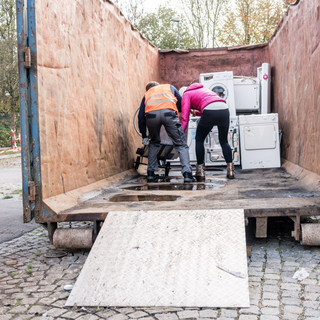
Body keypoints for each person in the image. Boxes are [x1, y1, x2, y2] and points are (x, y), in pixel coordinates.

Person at [138, 81, 194, 183]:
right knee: (181, 144)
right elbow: (181, 104)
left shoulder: (147, 94)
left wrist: (144, 135)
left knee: (154, 143)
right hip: (169, 114)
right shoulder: (169, 87)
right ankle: (187, 174)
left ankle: (150, 173)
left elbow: (141, 116)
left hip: (151, 116)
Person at [180, 83, 235, 181]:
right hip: (224, 109)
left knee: (199, 139)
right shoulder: (203, 90)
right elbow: (210, 106)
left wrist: (180, 134)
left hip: (210, 111)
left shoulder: (186, 94)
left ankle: (200, 171)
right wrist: (196, 113)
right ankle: (230, 170)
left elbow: (184, 117)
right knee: (224, 141)